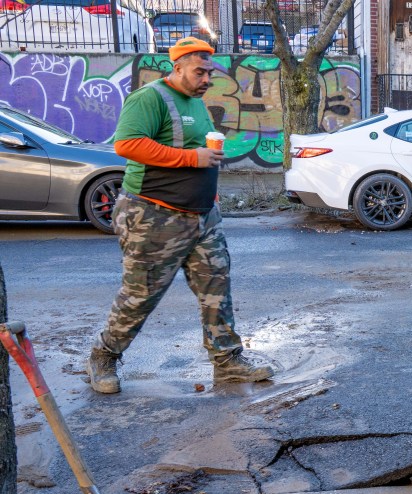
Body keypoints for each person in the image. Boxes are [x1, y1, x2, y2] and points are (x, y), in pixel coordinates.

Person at [86, 37, 273, 394]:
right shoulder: (150, 98)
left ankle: (228, 361)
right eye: (198, 72)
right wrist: (193, 160)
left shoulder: (196, 103)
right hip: (154, 215)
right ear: (178, 67)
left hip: (201, 216)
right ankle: (103, 356)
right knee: (141, 294)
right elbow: (127, 144)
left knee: (215, 286)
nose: (206, 79)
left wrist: (209, 191)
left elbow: (198, 149)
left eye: (209, 73)